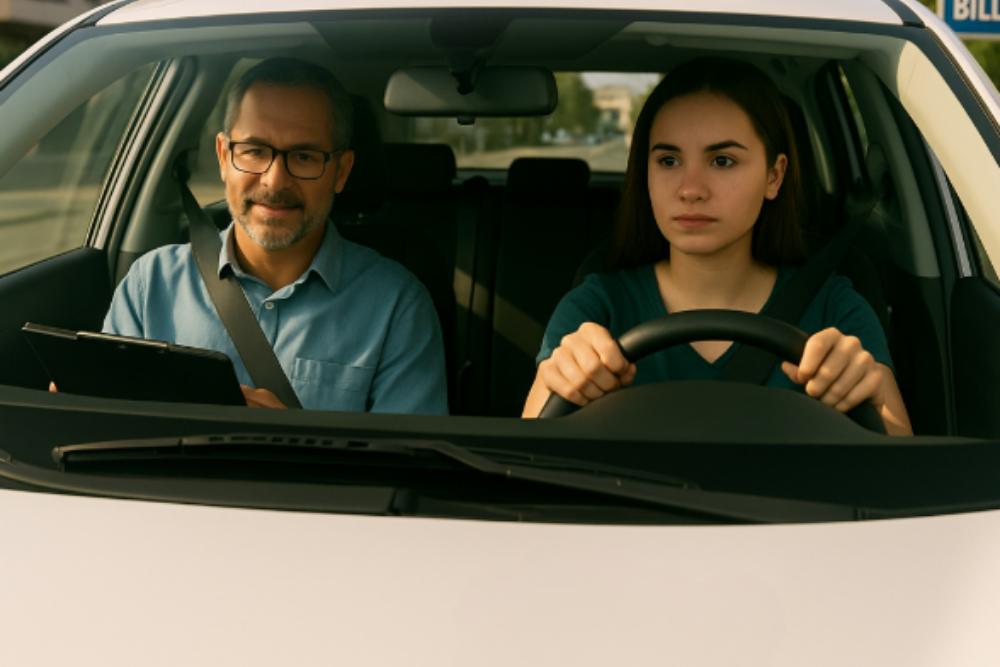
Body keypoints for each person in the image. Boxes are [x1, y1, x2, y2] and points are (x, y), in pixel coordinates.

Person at [522, 57, 912, 436]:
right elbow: (527, 459)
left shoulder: (835, 310)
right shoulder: (595, 311)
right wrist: (564, 377)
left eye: (722, 161)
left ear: (774, 176)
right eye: (669, 161)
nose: (690, 190)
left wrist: (870, 391)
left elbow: (903, 473)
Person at [99, 57, 448, 414]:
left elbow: (407, 468)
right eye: (254, 151)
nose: (275, 181)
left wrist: (292, 443)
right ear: (223, 157)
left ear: (341, 172)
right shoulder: (149, 284)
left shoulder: (398, 307)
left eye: (304, 156)